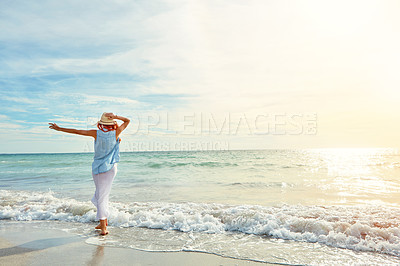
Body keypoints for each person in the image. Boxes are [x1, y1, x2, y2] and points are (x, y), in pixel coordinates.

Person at [49, 112, 130, 235]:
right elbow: (127, 121)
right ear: (112, 122)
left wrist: (59, 129)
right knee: (100, 196)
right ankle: (103, 222)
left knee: (101, 197)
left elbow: (77, 131)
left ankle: (103, 228)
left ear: (101, 123)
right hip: (112, 168)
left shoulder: (96, 133)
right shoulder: (116, 133)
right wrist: (116, 117)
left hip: (99, 169)